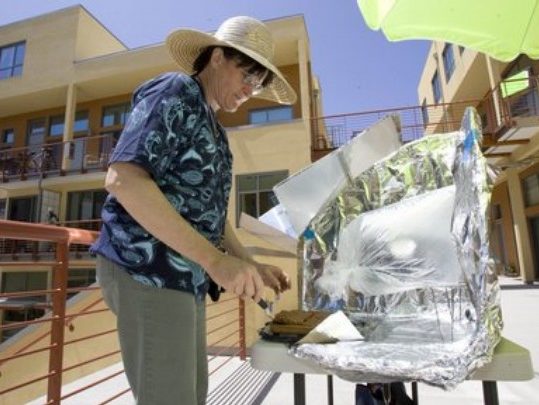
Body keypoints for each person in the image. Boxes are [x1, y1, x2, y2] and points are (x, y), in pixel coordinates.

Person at [90, 16, 295, 405]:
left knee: (192, 397)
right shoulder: (177, 89)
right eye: (247, 75)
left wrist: (250, 262)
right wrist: (217, 263)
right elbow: (123, 180)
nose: (251, 91)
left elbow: (211, 219)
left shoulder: (216, 131)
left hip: (187, 275)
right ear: (217, 57)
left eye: (259, 85)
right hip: (147, 269)